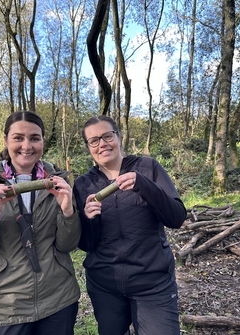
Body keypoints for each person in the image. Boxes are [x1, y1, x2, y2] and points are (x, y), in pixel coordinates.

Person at [0, 111, 81, 335]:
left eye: (35, 138)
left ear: (43, 140)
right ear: (5, 139)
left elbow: (67, 246)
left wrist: (68, 211)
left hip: (58, 300)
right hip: (2, 308)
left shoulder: (60, 180)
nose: (27, 146)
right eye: (18, 138)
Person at [73, 115, 186, 335]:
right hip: (105, 286)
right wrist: (88, 218)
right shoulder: (83, 184)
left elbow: (176, 218)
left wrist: (143, 184)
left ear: (119, 136)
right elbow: (87, 245)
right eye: (94, 140)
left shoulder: (147, 167)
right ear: (88, 147)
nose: (102, 144)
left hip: (152, 283)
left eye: (107, 136)